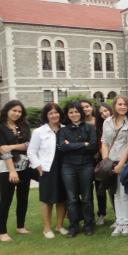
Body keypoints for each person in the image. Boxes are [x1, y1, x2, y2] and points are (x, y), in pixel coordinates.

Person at [0, 100, 33, 242]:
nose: (17, 113)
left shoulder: (24, 125)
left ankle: (20, 226)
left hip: (25, 166)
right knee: (6, 200)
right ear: (7, 111)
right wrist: (12, 171)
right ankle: (2, 232)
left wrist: (11, 147)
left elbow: (29, 145)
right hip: (7, 169)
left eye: (19, 111)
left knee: (23, 198)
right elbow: (3, 151)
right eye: (14, 110)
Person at [27, 103, 67, 239]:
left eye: (56, 112)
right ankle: (47, 228)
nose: (54, 115)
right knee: (47, 199)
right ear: (46, 116)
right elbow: (31, 151)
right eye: (51, 113)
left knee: (62, 198)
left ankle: (60, 225)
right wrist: (38, 166)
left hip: (64, 167)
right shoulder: (39, 132)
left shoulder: (65, 129)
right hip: (47, 169)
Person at [59, 101, 97, 238]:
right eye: (71, 112)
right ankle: (73, 227)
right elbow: (63, 148)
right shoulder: (63, 130)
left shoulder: (89, 127)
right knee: (72, 199)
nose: (74, 115)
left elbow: (92, 146)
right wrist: (83, 144)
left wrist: (73, 145)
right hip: (68, 166)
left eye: (76, 112)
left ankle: (88, 225)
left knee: (87, 197)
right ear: (67, 115)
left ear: (81, 113)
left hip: (86, 165)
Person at [101, 95, 128, 236]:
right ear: (114, 105)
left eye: (125, 104)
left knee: (124, 193)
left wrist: (120, 165)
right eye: (119, 104)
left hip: (124, 162)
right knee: (115, 193)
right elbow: (104, 142)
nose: (122, 107)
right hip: (110, 162)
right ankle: (119, 222)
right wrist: (106, 162)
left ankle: (127, 223)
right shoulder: (107, 122)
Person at [94, 102, 113, 226]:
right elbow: (100, 145)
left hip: (117, 159)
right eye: (101, 113)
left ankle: (121, 215)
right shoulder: (98, 128)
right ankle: (101, 214)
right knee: (101, 189)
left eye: (106, 111)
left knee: (115, 190)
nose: (104, 114)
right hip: (104, 162)